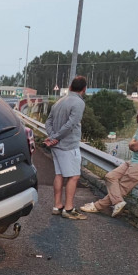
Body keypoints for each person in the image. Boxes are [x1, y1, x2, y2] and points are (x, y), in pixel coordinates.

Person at [80, 104, 138, 217]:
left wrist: (133, 144)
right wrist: (133, 144)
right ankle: (118, 202)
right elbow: (132, 143)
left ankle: (97, 206)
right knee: (110, 176)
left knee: (121, 188)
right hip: (133, 161)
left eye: (137, 115)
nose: (136, 117)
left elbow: (135, 147)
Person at [44, 76, 88, 220]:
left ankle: (57, 206)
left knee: (59, 174)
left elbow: (48, 121)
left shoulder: (59, 101)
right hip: (68, 145)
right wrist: (55, 137)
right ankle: (68, 209)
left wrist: (52, 137)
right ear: (84, 89)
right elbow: (71, 125)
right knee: (74, 176)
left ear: (70, 87)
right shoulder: (79, 103)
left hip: (56, 146)